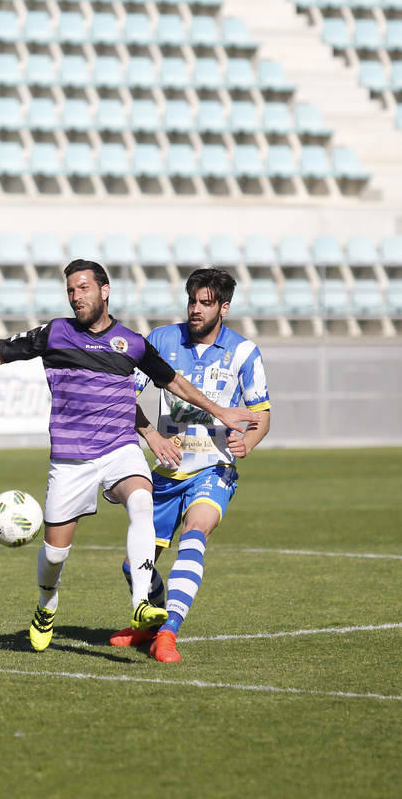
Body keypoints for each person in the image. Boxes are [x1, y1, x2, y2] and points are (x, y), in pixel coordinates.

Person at [0, 260, 259, 653]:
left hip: (120, 448)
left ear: (105, 291)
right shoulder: (55, 333)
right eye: (70, 290)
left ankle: (140, 604)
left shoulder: (132, 342)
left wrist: (218, 413)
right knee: (54, 554)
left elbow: (175, 383)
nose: (76, 296)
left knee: (140, 499)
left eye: (83, 288)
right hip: (71, 459)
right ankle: (46, 605)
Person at [109, 267, 271, 662]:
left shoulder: (244, 352)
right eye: (192, 301)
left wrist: (247, 441)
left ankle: (168, 632)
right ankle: (150, 623)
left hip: (214, 466)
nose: (195, 310)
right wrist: (152, 435)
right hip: (167, 467)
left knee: (195, 532)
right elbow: (123, 394)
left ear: (224, 308)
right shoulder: (162, 340)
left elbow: (261, 414)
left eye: (206, 303)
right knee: (135, 565)